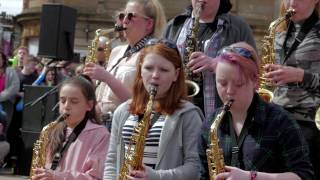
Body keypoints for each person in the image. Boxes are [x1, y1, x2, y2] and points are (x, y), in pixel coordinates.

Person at [198, 42, 315, 180]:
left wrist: (251, 177)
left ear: (255, 81)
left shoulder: (280, 121)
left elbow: (304, 175)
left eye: (238, 84)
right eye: (222, 83)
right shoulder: (210, 124)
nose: (229, 91)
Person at [104, 39, 204, 179]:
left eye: (163, 70)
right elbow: (112, 161)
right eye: (149, 68)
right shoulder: (123, 110)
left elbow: (195, 167)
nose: (155, 75)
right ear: (140, 69)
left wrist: (156, 176)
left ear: (176, 74)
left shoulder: (189, 114)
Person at [163, 0, 256, 118]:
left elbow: (253, 68)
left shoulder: (238, 27)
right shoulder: (174, 26)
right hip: (179, 110)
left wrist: (217, 64)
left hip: (224, 113)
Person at [84, 0, 167, 131]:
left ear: (149, 24)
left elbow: (143, 104)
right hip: (102, 125)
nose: (124, 21)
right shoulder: (117, 51)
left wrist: (107, 78)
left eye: (131, 16)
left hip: (128, 126)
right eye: (123, 16)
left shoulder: (153, 54)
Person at [264, 0, 320, 178]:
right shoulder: (279, 31)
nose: (292, 3)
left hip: (309, 123)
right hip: (277, 118)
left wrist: (300, 76)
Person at [32, 75, 110, 180]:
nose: (66, 106)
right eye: (63, 101)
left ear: (89, 105)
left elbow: (95, 177)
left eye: (74, 101)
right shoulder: (51, 130)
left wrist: (58, 176)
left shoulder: (100, 135)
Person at [0, 51, 20, 132]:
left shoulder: (10, 71)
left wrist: (1, 96)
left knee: (3, 129)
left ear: (3, 60)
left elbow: (15, 86)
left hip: (6, 104)